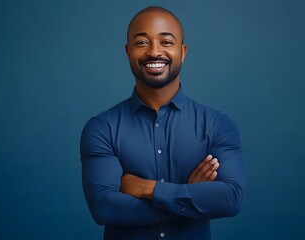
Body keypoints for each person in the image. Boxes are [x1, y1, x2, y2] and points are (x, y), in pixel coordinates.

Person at [81, 6, 245, 240]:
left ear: (183, 51)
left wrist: (148, 189)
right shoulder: (101, 128)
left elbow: (231, 199)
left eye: (166, 42)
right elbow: (104, 208)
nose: (154, 52)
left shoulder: (218, 125)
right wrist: (190, 197)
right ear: (128, 52)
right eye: (141, 43)